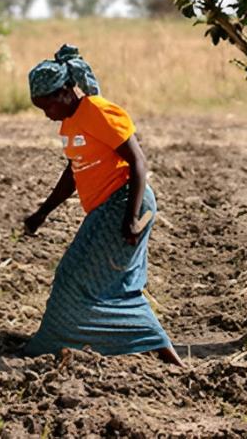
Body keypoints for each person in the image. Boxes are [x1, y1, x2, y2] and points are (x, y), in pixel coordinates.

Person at [21, 44, 180, 364]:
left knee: (76, 275)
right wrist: (42, 213)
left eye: (47, 106)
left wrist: (131, 218)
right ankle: (148, 346)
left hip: (123, 202)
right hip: (106, 208)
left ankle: (61, 344)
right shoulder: (71, 122)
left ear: (66, 92)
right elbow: (74, 172)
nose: (46, 115)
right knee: (109, 280)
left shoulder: (97, 111)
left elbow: (137, 162)